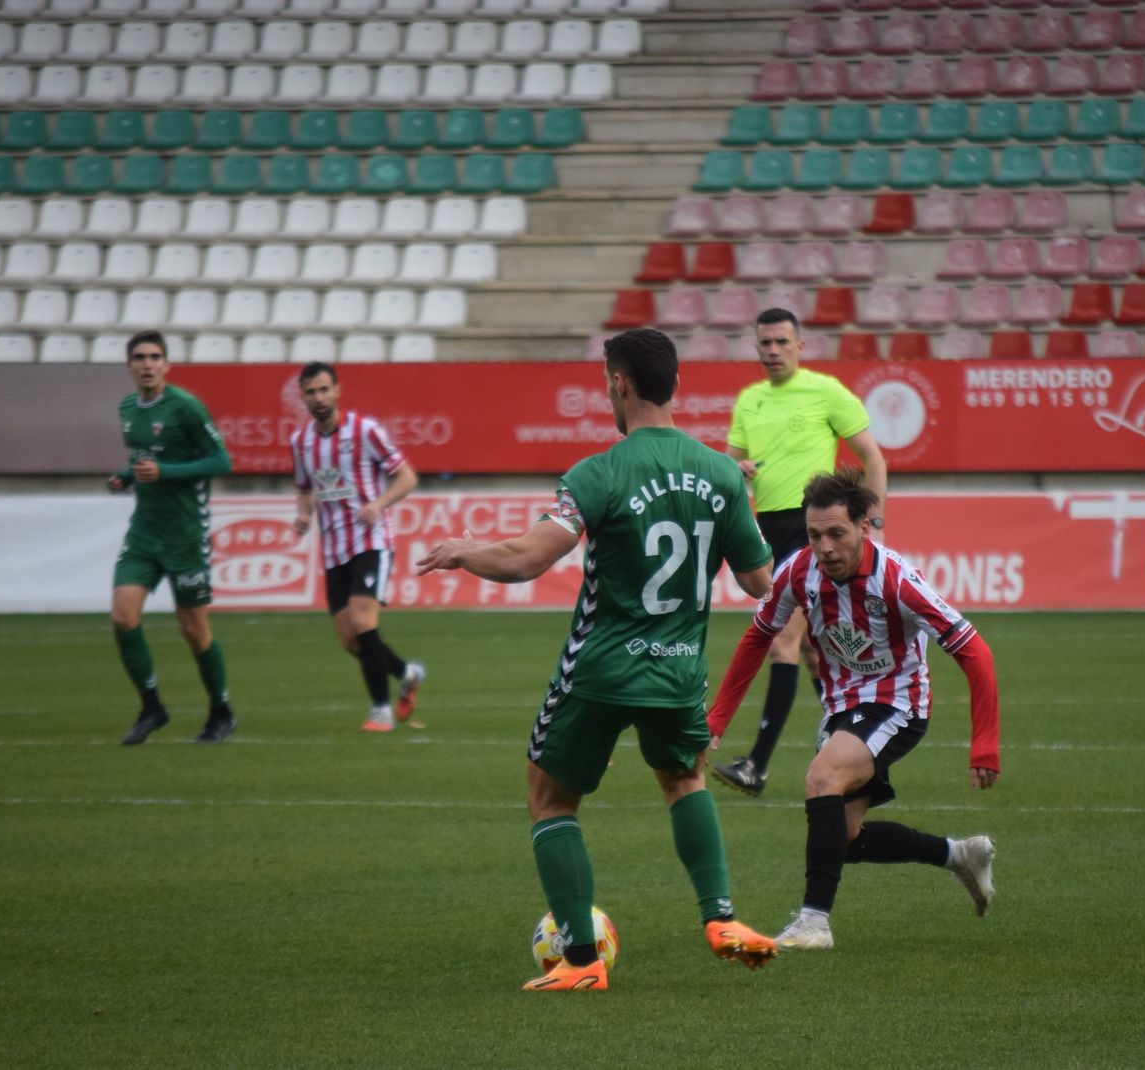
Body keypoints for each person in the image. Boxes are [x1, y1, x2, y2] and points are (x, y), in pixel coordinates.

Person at [416, 328, 780, 991]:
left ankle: (582, 959)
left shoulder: (599, 472)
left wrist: (466, 548)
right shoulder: (722, 472)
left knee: (549, 798)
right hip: (679, 672)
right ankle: (720, 918)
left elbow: (529, 557)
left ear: (620, 383)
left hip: (603, 667)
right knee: (685, 780)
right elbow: (761, 583)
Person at [707, 468, 1000, 951]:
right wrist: (717, 719)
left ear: (865, 527)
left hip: (897, 702)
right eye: (815, 535)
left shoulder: (898, 579)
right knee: (842, 835)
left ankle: (813, 922)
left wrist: (985, 744)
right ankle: (958, 855)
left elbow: (974, 651)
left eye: (836, 534)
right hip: (840, 705)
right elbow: (758, 635)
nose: (824, 547)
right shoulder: (799, 572)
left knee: (822, 777)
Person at [712, 308, 888, 798]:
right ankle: (851, 742)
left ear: (799, 346)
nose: (772, 351)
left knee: (781, 642)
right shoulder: (749, 400)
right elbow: (729, 465)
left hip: (811, 531)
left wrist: (872, 523)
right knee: (812, 652)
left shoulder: (826, 391)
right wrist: (737, 468)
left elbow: (873, 456)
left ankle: (756, 765)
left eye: (780, 342)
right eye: (764, 343)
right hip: (768, 529)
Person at [108, 330, 237, 746]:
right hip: (145, 532)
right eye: (140, 357)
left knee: (194, 629)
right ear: (129, 365)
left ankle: (221, 710)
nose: (147, 364)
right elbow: (145, 459)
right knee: (123, 617)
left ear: (167, 365)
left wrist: (167, 474)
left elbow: (222, 460)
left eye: (155, 357)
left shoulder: (185, 407)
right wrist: (126, 476)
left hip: (185, 535)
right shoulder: (127, 408)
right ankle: (152, 707)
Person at [290, 361, 426, 733]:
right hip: (333, 548)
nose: (317, 398)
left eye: (323, 390)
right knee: (351, 639)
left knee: (364, 621)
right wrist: (303, 515)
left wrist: (379, 504)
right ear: (302, 397)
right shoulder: (300, 442)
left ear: (337, 391)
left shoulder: (365, 432)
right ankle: (407, 672)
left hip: (370, 540)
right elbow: (304, 488)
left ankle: (380, 709)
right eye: (310, 392)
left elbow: (407, 476)